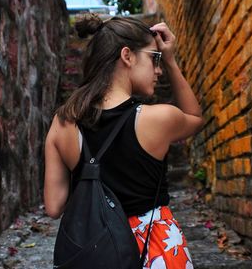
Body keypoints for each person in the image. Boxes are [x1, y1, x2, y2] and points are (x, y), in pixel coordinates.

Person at [44, 14, 203, 269]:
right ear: (127, 56)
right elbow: (195, 117)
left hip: (95, 251)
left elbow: (53, 206)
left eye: (162, 61)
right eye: (155, 58)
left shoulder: (62, 123)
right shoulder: (158, 119)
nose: (159, 70)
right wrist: (172, 61)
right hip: (155, 249)